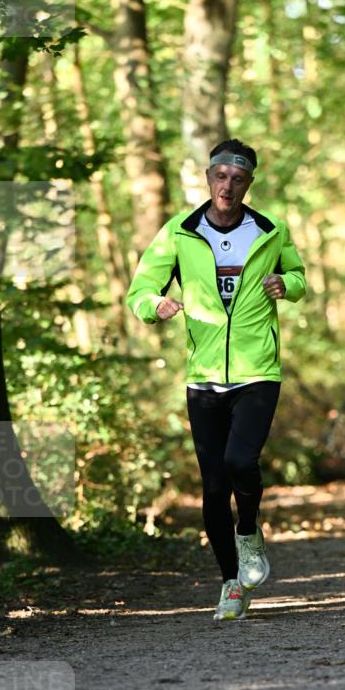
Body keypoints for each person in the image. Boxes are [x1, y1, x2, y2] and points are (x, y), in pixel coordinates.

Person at [127, 139, 306, 621]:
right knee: (212, 488)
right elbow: (140, 290)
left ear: (249, 184)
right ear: (209, 178)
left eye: (238, 179)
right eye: (221, 176)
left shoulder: (270, 230)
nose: (228, 186)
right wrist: (155, 305)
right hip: (203, 376)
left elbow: (298, 276)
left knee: (240, 461)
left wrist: (286, 284)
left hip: (257, 370)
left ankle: (248, 530)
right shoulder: (179, 232)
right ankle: (231, 584)